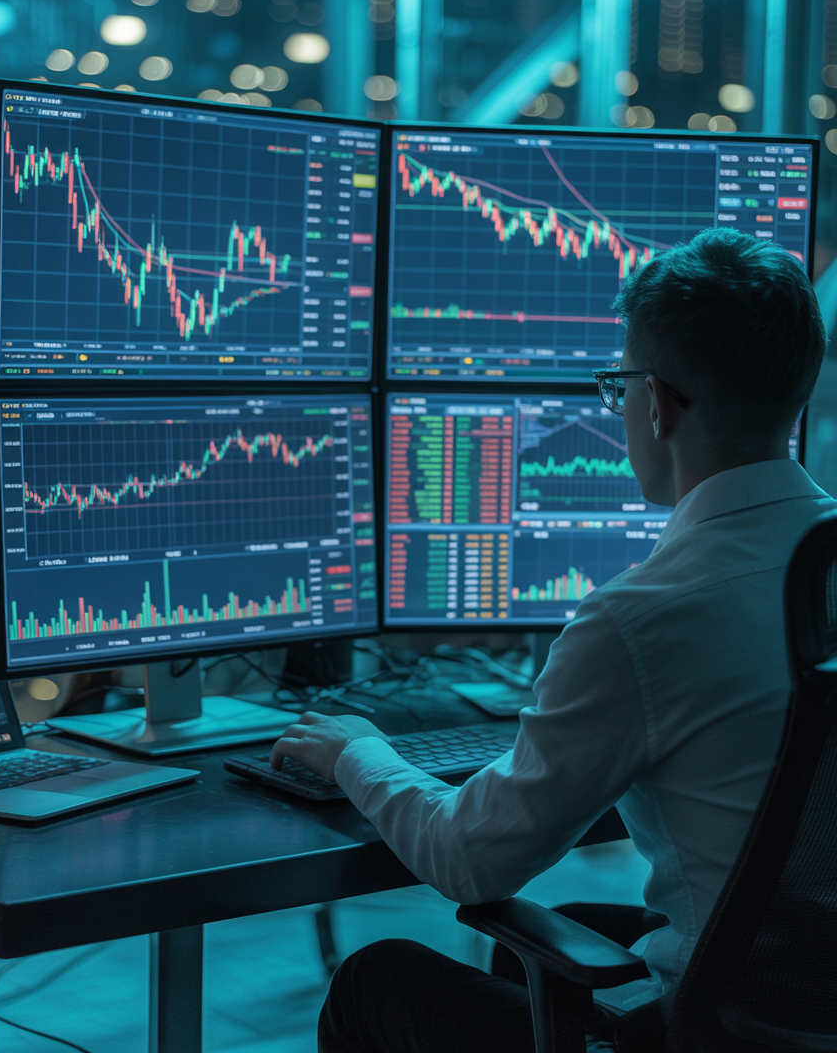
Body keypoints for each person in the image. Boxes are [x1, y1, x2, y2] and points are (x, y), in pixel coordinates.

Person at [270, 228, 833, 1053]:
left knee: (376, 978)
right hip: (805, 993)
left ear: (658, 402)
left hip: (719, 1035)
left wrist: (359, 751)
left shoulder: (643, 617)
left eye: (620, 386)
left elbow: (472, 862)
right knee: (554, 939)